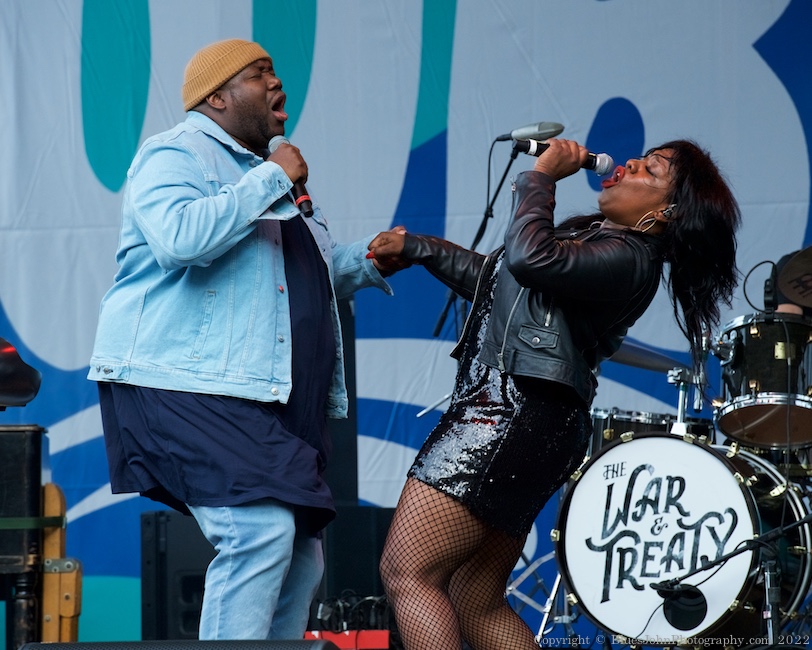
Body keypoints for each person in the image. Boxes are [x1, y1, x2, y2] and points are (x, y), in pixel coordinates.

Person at [367, 138, 741, 650]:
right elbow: (505, 282)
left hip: (506, 415)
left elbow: (527, 258)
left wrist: (541, 174)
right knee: (476, 597)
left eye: (650, 169)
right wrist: (419, 248)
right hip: (532, 420)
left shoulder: (631, 257)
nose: (630, 163)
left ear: (667, 213)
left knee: (408, 572)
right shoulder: (598, 239)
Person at [87, 39, 405, 641]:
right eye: (261, 74)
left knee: (300, 557)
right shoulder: (175, 153)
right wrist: (271, 178)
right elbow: (180, 239)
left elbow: (300, 270)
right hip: (180, 381)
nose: (278, 85)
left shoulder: (263, 176)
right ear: (217, 96)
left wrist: (367, 261)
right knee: (255, 533)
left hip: (265, 394)